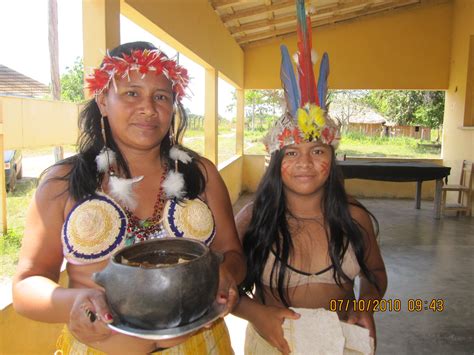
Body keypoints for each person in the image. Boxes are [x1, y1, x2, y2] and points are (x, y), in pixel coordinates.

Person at [12, 41, 245, 354]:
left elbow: (232, 253)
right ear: (103, 101)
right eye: (132, 93)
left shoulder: (200, 174)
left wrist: (226, 275)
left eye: (161, 96)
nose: (148, 108)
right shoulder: (63, 183)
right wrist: (75, 303)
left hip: (202, 345)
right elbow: (27, 284)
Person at [232, 1, 387, 354]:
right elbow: (222, 289)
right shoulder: (254, 217)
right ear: (276, 161)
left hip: (343, 343)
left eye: (318, 151)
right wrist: (255, 312)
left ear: (332, 160)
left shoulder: (354, 217)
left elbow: (375, 274)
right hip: (275, 343)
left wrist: (365, 308)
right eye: (292, 153)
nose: (305, 162)